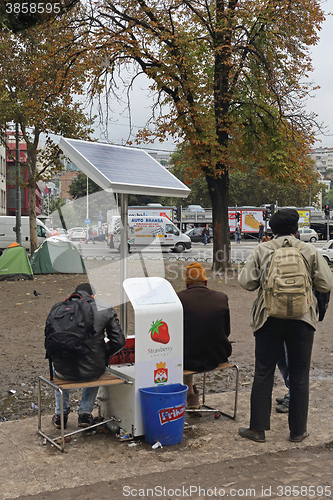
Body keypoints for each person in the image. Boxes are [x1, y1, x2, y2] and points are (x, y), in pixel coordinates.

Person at [238, 208, 333, 443]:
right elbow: (325, 283)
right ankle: (298, 431)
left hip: (269, 318)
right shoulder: (309, 250)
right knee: (300, 375)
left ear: (271, 230)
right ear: (296, 229)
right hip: (302, 320)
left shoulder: (262, 250)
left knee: (263, 372)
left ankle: (257, 429)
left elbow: (246, 283)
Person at [51, 283, 125, 429]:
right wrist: (103, 354)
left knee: (57, 364)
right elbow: (119, 341)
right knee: (97, 365)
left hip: (62, 371)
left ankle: (60, 415)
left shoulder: (58, 308)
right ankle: (85, 413)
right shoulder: (104, 308)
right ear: (93, 297)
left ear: (75, 294)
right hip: (92, 370)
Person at [177, 262, 232, 408]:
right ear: (206, 281)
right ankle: (191, 394)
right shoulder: (222, 297)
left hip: (187, 358)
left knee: (184, 347)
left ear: (187, 283)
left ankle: (189, 393)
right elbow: (226, 331)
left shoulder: (178, 299)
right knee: (194, 343)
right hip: (217, 355)